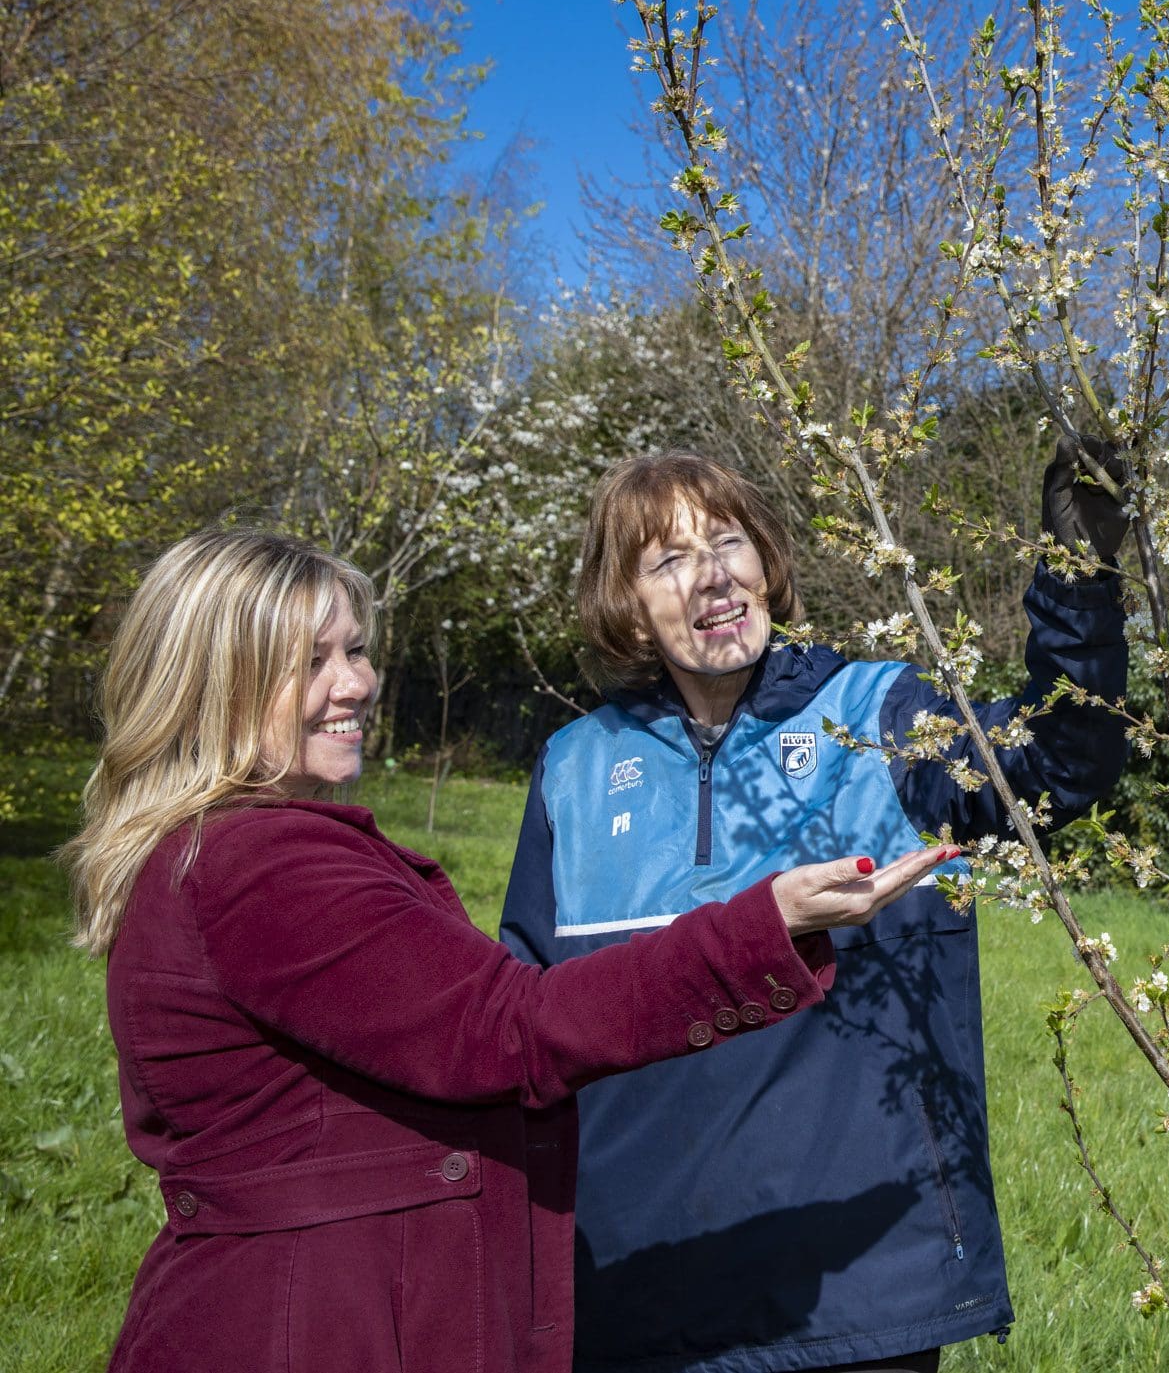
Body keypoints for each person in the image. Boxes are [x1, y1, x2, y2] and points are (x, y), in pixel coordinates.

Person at [66, 530, 950, 1373]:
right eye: (311, 662)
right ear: (218, 683)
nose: (356, 683)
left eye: (357, 650)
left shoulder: (205, 849)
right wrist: (763, 923)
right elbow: (505, 1028)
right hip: (314, 1324)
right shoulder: (260, 861)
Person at [500, 443, 1130, 1373]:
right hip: (637, 1289)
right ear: (624, 601)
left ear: (766, 562)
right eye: (668, 559)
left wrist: (1080, 580)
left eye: (728, 541)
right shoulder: (574, 767)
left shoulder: (875, 716)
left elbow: (1059, 764)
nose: (710, 574)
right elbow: (521, 1028)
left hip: (857, 1289)